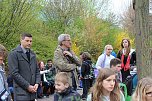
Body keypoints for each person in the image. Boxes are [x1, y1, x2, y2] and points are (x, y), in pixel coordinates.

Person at [8, 33, 41, 101]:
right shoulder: (14, 54)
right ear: (21, 40)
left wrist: (37, 83)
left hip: (33, 93)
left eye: (31, 41)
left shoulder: (33, 54)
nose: (29, 43)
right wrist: (27, 86)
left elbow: (37, 70)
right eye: (27, 41)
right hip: (21, 93)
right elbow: (14, 73)